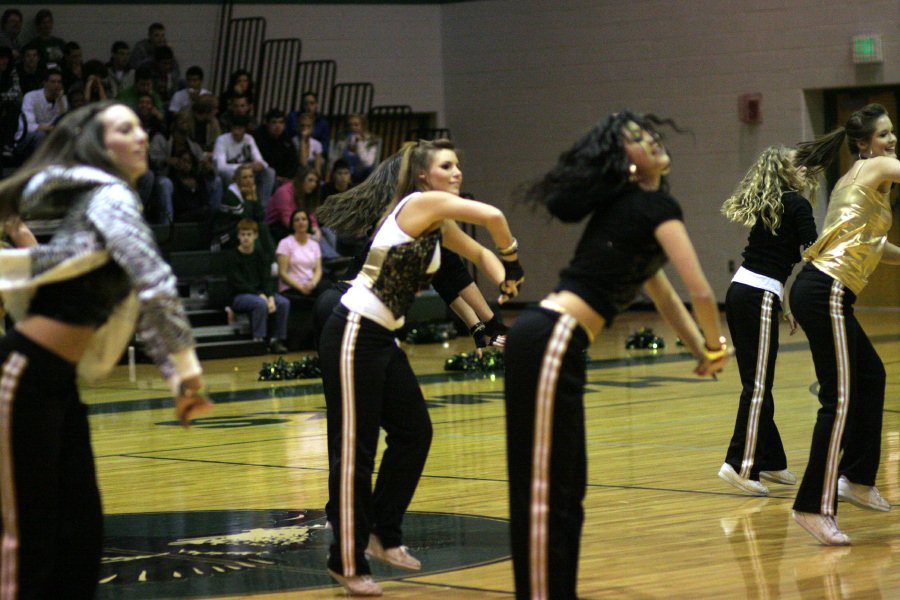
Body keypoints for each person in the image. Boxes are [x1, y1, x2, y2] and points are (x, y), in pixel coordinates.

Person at [504, 110, 730, 600]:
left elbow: (666, 296)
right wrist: (715, 345)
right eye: (635, 139)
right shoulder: (650, 209)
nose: (649, 140)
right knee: (546, 494)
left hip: (555, 342)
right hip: (551, 337)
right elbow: (703, 293)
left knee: (567, 491)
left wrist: (700, 351)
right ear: (623, 162)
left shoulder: (642, 208)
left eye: (649, 133)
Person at [0, 100, 211, 598]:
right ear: (99, 145)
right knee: (26, 542)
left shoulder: (107, 199)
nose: (140, 135)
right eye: (124, 128)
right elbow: (155, 283)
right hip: (22, 376)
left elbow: (144, 300)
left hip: (58, 384)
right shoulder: (110, 196)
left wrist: (177, 373)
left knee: (79, 536)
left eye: (141, 125)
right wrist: (185, 372)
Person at [316, 138, 524, 596]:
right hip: (352, 329)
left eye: (458, 165)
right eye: (446, 165)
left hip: (380, 338)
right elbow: (493, 220)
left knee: (414, 433)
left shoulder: (437, 223)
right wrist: (513, 257)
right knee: (355, 452)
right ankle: (345, 559)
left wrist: (504, 279)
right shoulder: (417, 203)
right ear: (425, 175)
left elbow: (477, 254)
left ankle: (383, 533)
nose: (456, 172)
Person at [788, 102, 900, 545]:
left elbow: (875, 244)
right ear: (864, 144)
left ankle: (856, 478)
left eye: (892, 132)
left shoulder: (859, 181)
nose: (891, 139)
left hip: (823, 290)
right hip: (826, 290)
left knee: (871, 377)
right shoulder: (875, 169)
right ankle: (812, 507)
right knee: (839, 399)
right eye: (884, 133)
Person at [718, 145, 819, 496]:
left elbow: (773, 260)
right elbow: (814, 252)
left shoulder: (777, 202)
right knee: (758, 386)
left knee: (757, 382)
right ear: (784, 172)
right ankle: (740, 465)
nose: (804, 167)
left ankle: (772, 461)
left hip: (743, 291)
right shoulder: (797, 204)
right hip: (757, 295)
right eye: (797, 164)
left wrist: (785, 306)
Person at [226, 218, 289, 354]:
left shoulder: (261, 255)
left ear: (255, 235)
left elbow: (267, 279)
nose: (245, 238)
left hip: (261, 294)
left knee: (283, 302)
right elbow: (239, 284)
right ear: (238, 236)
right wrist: (261, 295)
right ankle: (258, 340)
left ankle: (276, 340)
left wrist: (270, 297)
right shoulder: (232, 256)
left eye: (249, 234)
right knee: (260, 303)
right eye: (242, 234)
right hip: (239, 296)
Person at [276, 208, 328, 301]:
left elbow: (318, 270)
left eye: (304, 219)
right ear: (292, 224)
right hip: (291, 286)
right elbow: (282, 273)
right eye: (297, 220)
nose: (301, 222)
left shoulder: (314, 244)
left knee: (327, 286)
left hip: (310, 284)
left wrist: (313, 284)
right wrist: (301, 287)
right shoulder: (285, 243)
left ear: (308, 223)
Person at [15, 68, 67, 157]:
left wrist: (61, 103)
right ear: (45, 83)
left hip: (50, 134)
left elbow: (63, 121)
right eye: (53, 82)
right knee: (41, 135)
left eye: (59, 82)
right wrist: (49, 129)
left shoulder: (62, 98)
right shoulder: (31, 96)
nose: (57, 85)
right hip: (27, 136)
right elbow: (29, 126)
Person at [266, 165, 320, 242]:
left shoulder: (307, 194)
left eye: (316, 181)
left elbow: (311, 217)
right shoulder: (284, 192)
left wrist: (316, 231)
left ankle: (332, 254)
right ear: (301, 180)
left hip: (298, 224)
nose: (314, 184)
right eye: (310, 180)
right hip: (277, 226)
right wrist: (306, 234)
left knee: (324, 232)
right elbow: (287, 220)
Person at [334, 113, 380, 183]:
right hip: (345, 172)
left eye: (356, 125)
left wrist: (359, 144)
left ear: (363, 126)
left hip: (361, 174)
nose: (352, 127)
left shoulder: (370, 141)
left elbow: (368, 163)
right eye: (350, 125)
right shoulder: (343, 139)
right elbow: (336, 157)